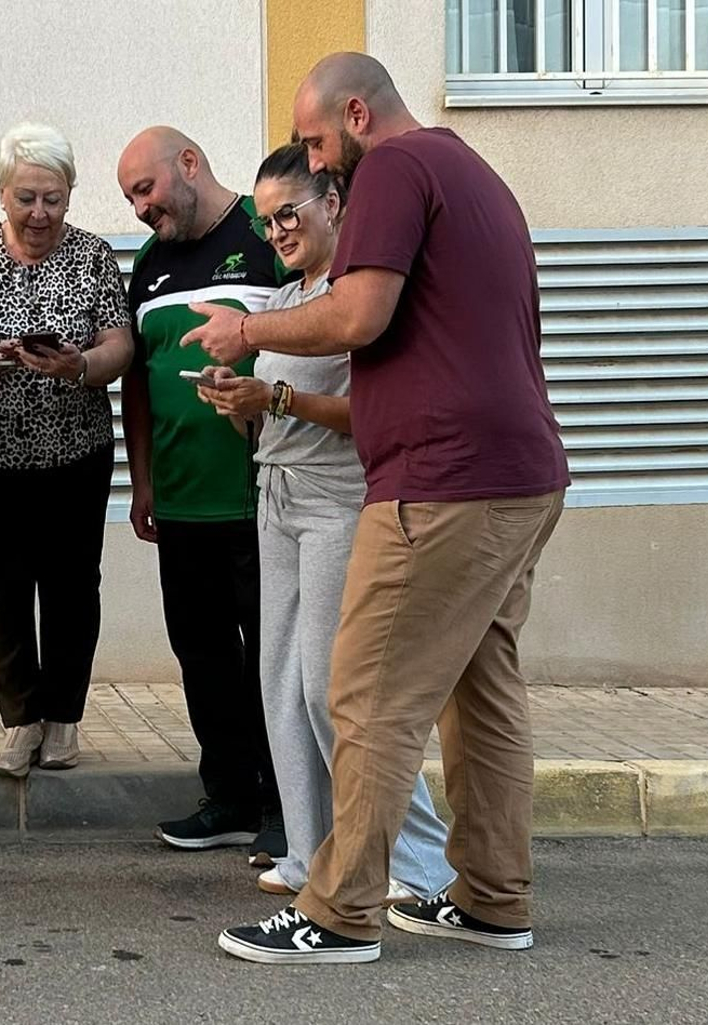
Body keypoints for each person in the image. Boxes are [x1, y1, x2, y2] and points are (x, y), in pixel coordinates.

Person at [199, 54, 570, 965]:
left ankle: (338, 911)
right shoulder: (474, 172)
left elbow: (359, 312)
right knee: (479, 698)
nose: (319, 165)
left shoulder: (397, 169)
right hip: (519, 471)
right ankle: (491, 897)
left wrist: (247, 331)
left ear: (358, 114)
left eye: (320, 143)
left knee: (360, 692)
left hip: (442, 481)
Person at [194, 144, 456, 905]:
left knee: (334, 688)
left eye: (290, 214)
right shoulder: (284, 301)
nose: (276, 230)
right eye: (265, 218)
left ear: (334, 204)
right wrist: (235, 392)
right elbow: (275, 396)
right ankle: (312, 852)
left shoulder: (357, 297)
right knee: (280, 681)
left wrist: (272, 402)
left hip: (339, 499)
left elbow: (369, 415)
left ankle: (419, 863)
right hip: (276, 495)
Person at [116, 126, 288, 865]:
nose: (139, 209)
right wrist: (144, 480)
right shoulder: (150, 265)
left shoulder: (267, 231)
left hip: (261, 498)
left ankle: (289, 806)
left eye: (145, 189)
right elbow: (141, 384)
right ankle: (230, 798)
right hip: (181, 505)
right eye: (129, 198)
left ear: (189, 164)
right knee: (202, 655)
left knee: (274, 660)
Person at [0, 123, 134, 778]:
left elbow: (120, 345)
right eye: (27, 197)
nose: (40, 213)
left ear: (69, 195)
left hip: (74, 452)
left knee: (72, 586)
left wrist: (78, 364)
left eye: (53, 198)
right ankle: (21, 720)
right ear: (3, 193)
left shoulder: (93, 257)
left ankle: (63, 719)